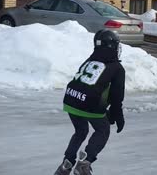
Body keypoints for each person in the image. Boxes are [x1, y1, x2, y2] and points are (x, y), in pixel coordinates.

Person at [54, 29, 126, 175]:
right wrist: (117, 115)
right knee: (102, 130)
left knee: (80, 131)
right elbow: (117, 95)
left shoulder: (91, 59)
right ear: (112, 47)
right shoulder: (117, 68)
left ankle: (66, 164)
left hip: (71, 99)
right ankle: (84, 163)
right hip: (89, 103)